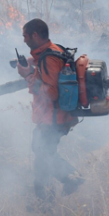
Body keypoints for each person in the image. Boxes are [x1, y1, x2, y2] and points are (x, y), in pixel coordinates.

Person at [17, 18, 84, 201]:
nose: (24, 40)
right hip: (56, 117)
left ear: (35, 35)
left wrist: (28, 75)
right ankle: (69, 180)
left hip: (52, 119)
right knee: (42, 152)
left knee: (42, 160)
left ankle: (45, 201)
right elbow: (48, 66)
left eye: (25, 36)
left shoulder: (49, 58)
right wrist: (33, 61)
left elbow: (52, 92)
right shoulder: (55, 49)